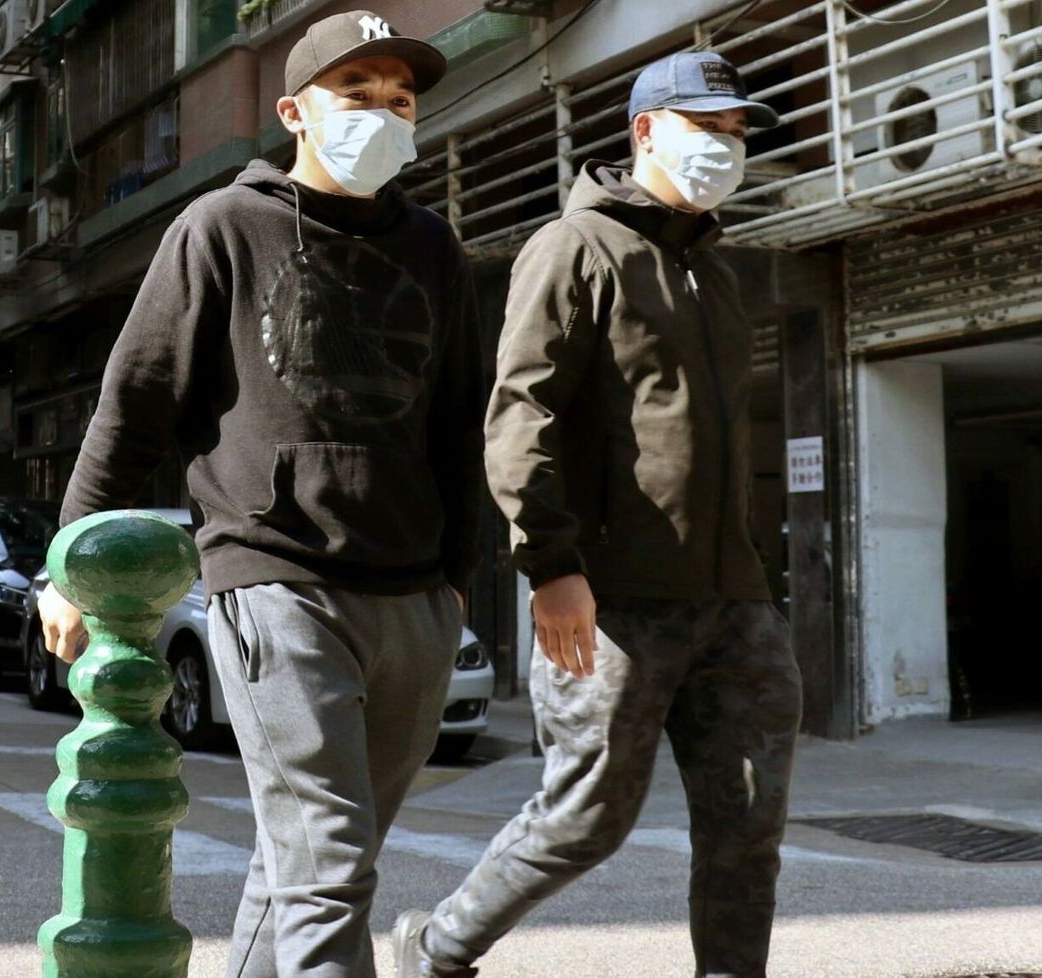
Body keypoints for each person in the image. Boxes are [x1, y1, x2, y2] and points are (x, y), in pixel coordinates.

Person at [38, 11, 486, 978]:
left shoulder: (434, 248)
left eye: (400, 100)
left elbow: (460, 424)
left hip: (413, 593)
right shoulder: (221, 228)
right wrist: (69, 564)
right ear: (293, 112)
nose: (383, 115)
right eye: (355, 95)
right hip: (274, 579)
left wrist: (459, 579)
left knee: (312, 860)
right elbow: (138, 399)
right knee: (327, 864)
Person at [393, 51, 803, 978]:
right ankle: (436, 946)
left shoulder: (717, 272)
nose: (729, 149)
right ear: (647, 131)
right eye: (711, 128)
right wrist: (551, 565)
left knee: (748, 830)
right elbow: (519, 414)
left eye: (739, 132)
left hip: (735, 600)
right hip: (613, 599)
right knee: (586, 817)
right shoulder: (575, 246)